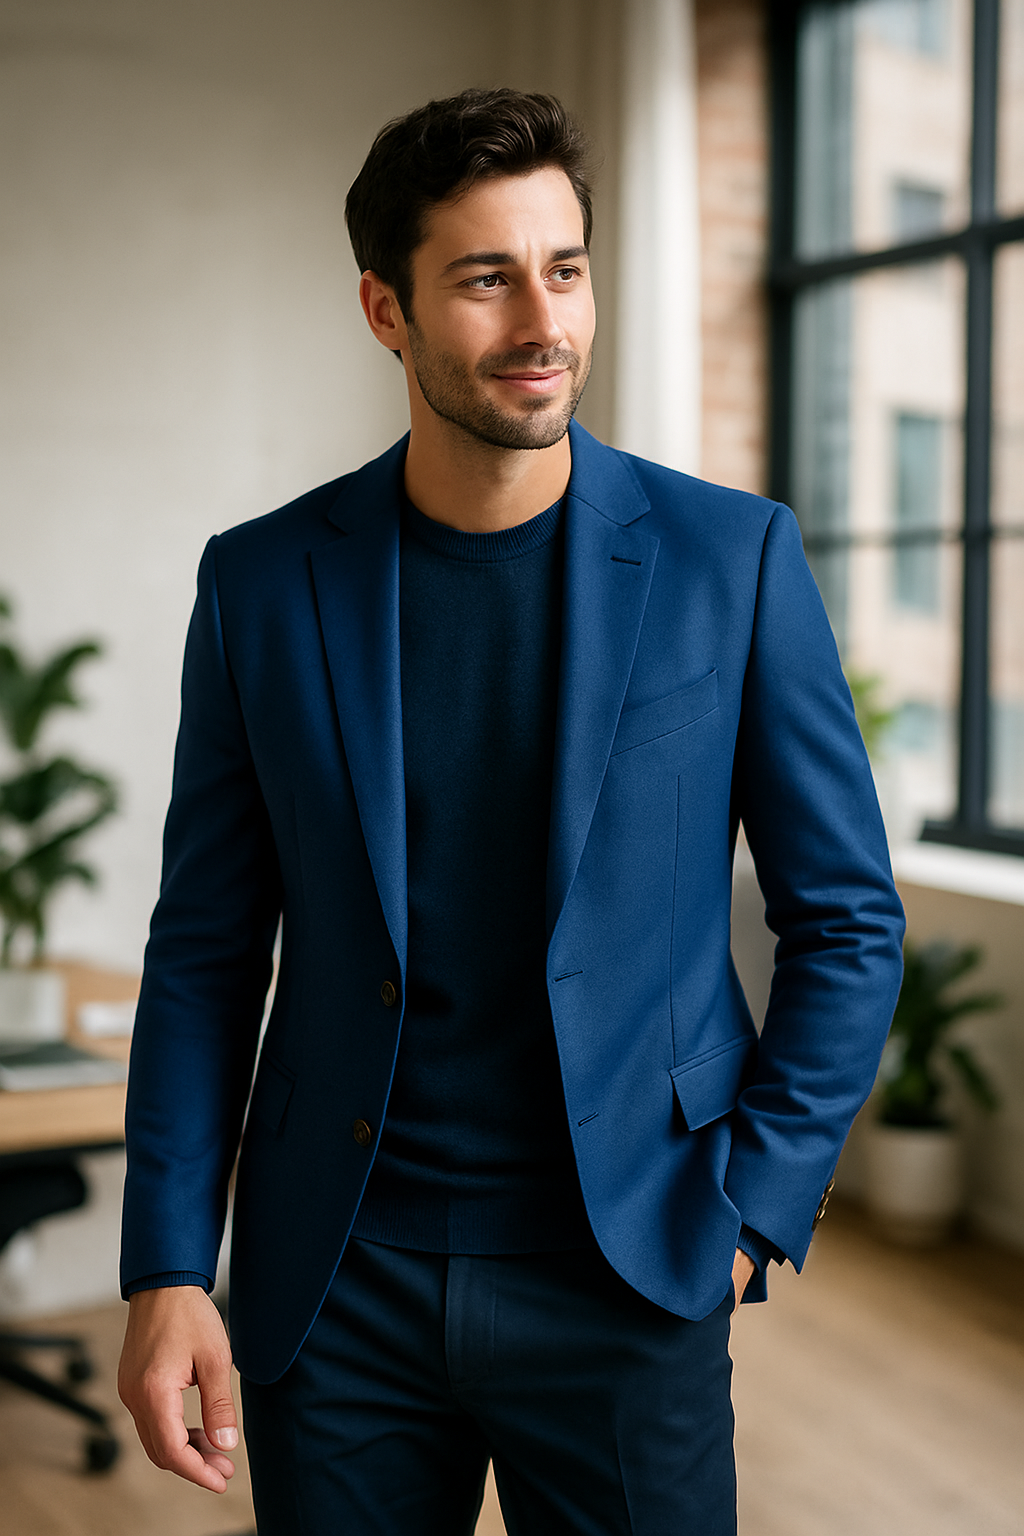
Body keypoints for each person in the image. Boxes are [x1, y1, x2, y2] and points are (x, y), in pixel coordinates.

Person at [117, 88, 905, 1535]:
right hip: (338, 1284)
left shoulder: (732, 561)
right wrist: (169, 1266)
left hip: (630, 1265)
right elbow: (206, 951)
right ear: (386, 309)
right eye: (485, 278)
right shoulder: (263, 587)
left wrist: (750, 1211)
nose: (543, 320)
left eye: (566, 267)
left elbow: (847, 917)